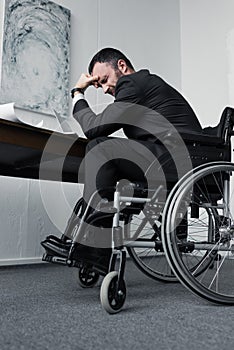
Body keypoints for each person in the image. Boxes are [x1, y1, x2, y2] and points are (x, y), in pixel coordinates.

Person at [41, 47, 202, 271]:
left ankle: (96, 246)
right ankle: (90, 244)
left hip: (179, 159)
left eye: (104, 80)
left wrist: (78, 92)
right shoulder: (143, 86)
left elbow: (94, 128)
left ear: (122, 67)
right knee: (105, 153)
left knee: (101, 147)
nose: (105, 89)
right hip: (175, 155)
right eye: (99, 85)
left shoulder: (133, 83)